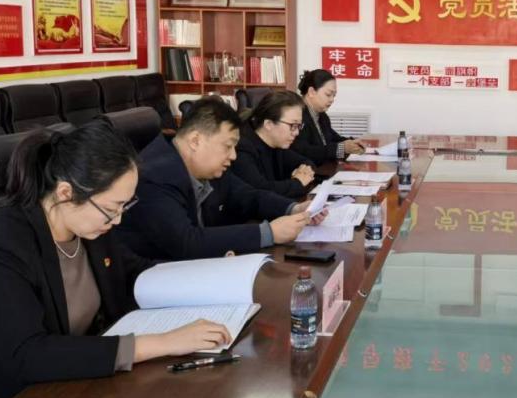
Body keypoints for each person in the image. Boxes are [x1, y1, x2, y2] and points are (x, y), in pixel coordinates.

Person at [0, 122, 231, 398]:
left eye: (124, 206)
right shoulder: (2, 245)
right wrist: (164, 342)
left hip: (80, 389)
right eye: (113, 207)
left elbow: (133, 270)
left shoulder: (90, 227)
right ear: (66, 192)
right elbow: (27, 354)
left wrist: (210, 274)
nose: (118, 220)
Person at [118, 96, 321, 261]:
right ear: (195, 141)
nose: (233, 155)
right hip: (156, 281)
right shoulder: (154, 175)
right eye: (228, 146)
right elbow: (186, 242)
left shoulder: (206, 167)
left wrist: (293, 208)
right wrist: (269, 233)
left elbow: (248, 196)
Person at [234, 90, 317, 199]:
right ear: (268, 124)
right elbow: (260, 191)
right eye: (293, 125)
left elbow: (307, 162)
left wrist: (303, 173)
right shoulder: (242, 149)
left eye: (299, 126)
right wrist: (298, 182)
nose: (297, 132)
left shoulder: (277, 143)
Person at [291, 69, 368, 165]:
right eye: (328, 94)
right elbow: (304, 152)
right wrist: (342, 148)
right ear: (311, 92)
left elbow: (333, 138)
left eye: (334, 95)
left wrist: (353, 143)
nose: (332, 100)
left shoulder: (322, 116)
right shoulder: (297, 115)